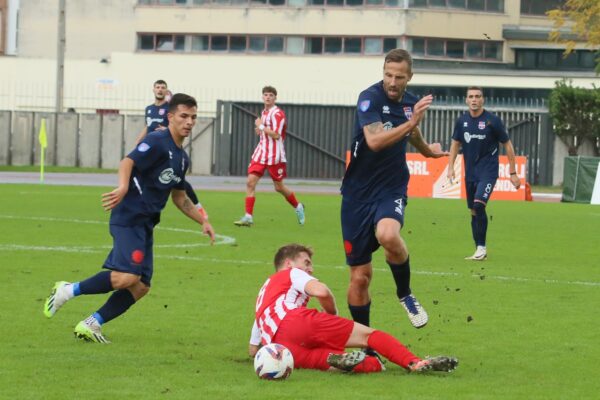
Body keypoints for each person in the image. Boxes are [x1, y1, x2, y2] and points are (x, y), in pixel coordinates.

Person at [43, 93, 216, 343]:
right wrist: (123, 187)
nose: (189, 122)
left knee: (141, 286)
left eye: (193, 117)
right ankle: (67, 290)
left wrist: (203, 220)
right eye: (184, 116)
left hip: (146, 223)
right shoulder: (157, 140)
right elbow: (127, 161)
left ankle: (91, 324)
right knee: (128, 277)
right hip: (129, 215)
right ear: (170, 117)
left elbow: (180, 198)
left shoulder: (182, 159)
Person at [340, 49, 448, 330]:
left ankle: (405, 293)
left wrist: (427, 152)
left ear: (409, 77)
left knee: (388, 234)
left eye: (399, 77)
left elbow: (413, 134)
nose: (392, 81)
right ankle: (365, 342)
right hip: (356, 194)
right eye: (388, 75)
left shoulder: (410, 104)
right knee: (360, 278)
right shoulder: (369, 98)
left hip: (391, 187)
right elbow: (374, 141)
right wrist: (411, 123)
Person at [248, 244, 458, 374]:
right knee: (369, 336)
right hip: (297, 322)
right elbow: (322, 292)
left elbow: (253, 349)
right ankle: (414, 362)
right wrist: (332, 317)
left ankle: (357, 363)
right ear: (288, 263)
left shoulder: (262, 296)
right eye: (307, 262)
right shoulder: (292, 273)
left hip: (286, 351)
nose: (310, 269)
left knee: (339, 363)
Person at [447, 87, 521, 261]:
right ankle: (479, 250)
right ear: (466, 100)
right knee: (473, 210)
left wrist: (513, 172)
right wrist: (450, 167)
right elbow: (455, 144)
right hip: (470, 173)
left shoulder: (492, 121)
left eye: (478, 96)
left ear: (483, 100)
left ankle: (481, 248)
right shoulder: (462, 121)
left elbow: (508, 145)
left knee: (479, 205)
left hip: (488, 172)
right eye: (471, 96)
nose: (474, 99)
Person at [137, 79, 209, 220]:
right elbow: (148, 126)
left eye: (163, 87)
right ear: (153, 89)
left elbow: (172, 123)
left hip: (165, 146)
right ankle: (141, 204)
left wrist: (167, 130)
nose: (160, 90)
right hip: (151, 147)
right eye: (157, 87)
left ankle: (198, 207)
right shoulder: (149, 109)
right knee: (156, 176)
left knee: (176, 179)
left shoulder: (169, 108)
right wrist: (139, 140)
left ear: (166, 90)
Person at [234, 86, 305, 227]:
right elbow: (266, 132)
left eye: (271, 95)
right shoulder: (264, 113)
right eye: (265, 94)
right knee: (250, 182)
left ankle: (298, 206)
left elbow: (276, 134)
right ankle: (248, 217)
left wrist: (260, 127)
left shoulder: (278, 114)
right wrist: (260, 131)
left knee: (278, 187)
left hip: (275, 155)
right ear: (262, 97)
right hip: (261, 153)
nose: (267, 97)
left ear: (275, 98)